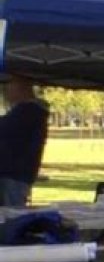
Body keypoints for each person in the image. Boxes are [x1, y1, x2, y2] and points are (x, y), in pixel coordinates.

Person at [0, 75, 49, 206]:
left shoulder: (28, 111)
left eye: (10, 89)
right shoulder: (29, 111)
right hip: (16, 172)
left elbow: (5, 127)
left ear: (22, 90)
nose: (6, 94)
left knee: (11, 212)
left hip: (15, 173)